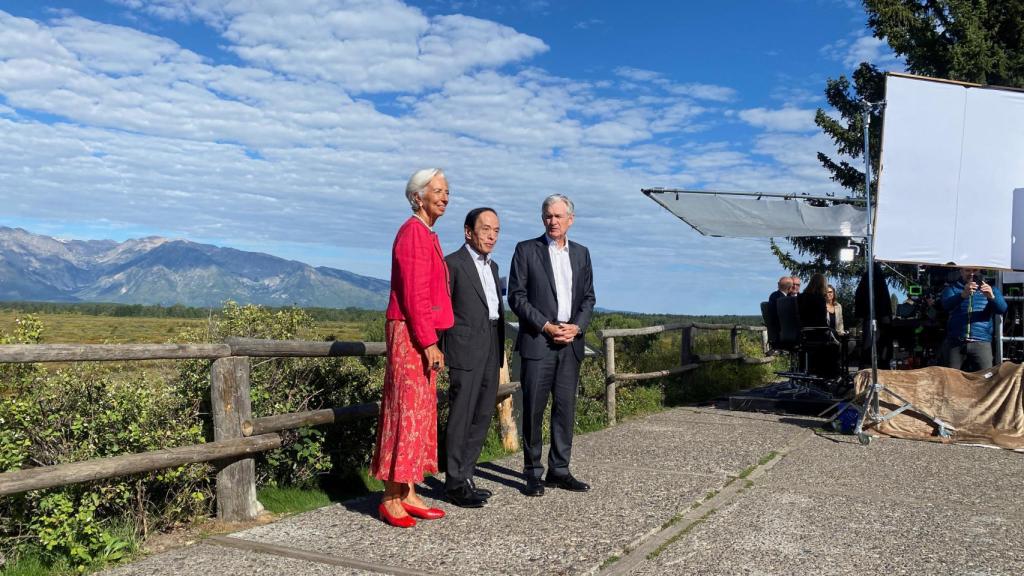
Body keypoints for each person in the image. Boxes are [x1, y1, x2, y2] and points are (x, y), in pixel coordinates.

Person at [371, 168, 454, 528]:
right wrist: (428, 342)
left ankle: (408, 490)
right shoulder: (412, 234)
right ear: (417, 196)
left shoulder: (425, 233)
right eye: (437, 190)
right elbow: (414, 295)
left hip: (417, 330)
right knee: (406, 410)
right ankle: (391, 496)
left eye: (447, 191)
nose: (445, 196)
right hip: (410, 331)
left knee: (420, 411)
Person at [508, 194, 596, 497]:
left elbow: (588, 298)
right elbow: (516, 297)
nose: (553, 221)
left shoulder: (582, 254)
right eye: (548, 216)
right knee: (533, 410)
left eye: (558, 216)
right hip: (539, 341)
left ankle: (560, 469)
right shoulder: (526, 250)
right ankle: (533, 473)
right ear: (542, 218)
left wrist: (577, 327)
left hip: (570, 343)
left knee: (565, 409)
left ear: (570, 219)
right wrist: (545, 325)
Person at [441, 208, 505, 508]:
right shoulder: (452, 264)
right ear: (469, 231)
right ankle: (454, 481)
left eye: (496, 230)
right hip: (464, 347)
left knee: (482, 413)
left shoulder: (492, 267)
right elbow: (442, 310)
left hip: (492, 342)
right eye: (485, 229)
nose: (491, 235)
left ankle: (466, 474)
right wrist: (439, 349)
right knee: (461, 414)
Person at [940, 267, 1007, 371]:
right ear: (961, 271)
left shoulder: (991, 288)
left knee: (984, 379)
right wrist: (962, 295)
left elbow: (1002, 309)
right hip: (956, 342)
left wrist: (991, 297)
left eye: (975, 270)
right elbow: (945, 305)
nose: (971, 274)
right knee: (952, 379)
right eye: (967, 270)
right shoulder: (952, 288)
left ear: (979, 271)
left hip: (981, 341)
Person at [797, 273, 840, 377]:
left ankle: (807, 370)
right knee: (836, 343)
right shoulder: (819, 299)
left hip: (801, 335)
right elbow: (821, 321)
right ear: (822, 285)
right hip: (816, 334)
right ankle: (829, 375)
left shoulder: (800, 297)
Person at [765, 276, 793, 349]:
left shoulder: (773, 295)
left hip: (775, 332)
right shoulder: (784, 300)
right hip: (782, 332)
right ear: (789, 288)